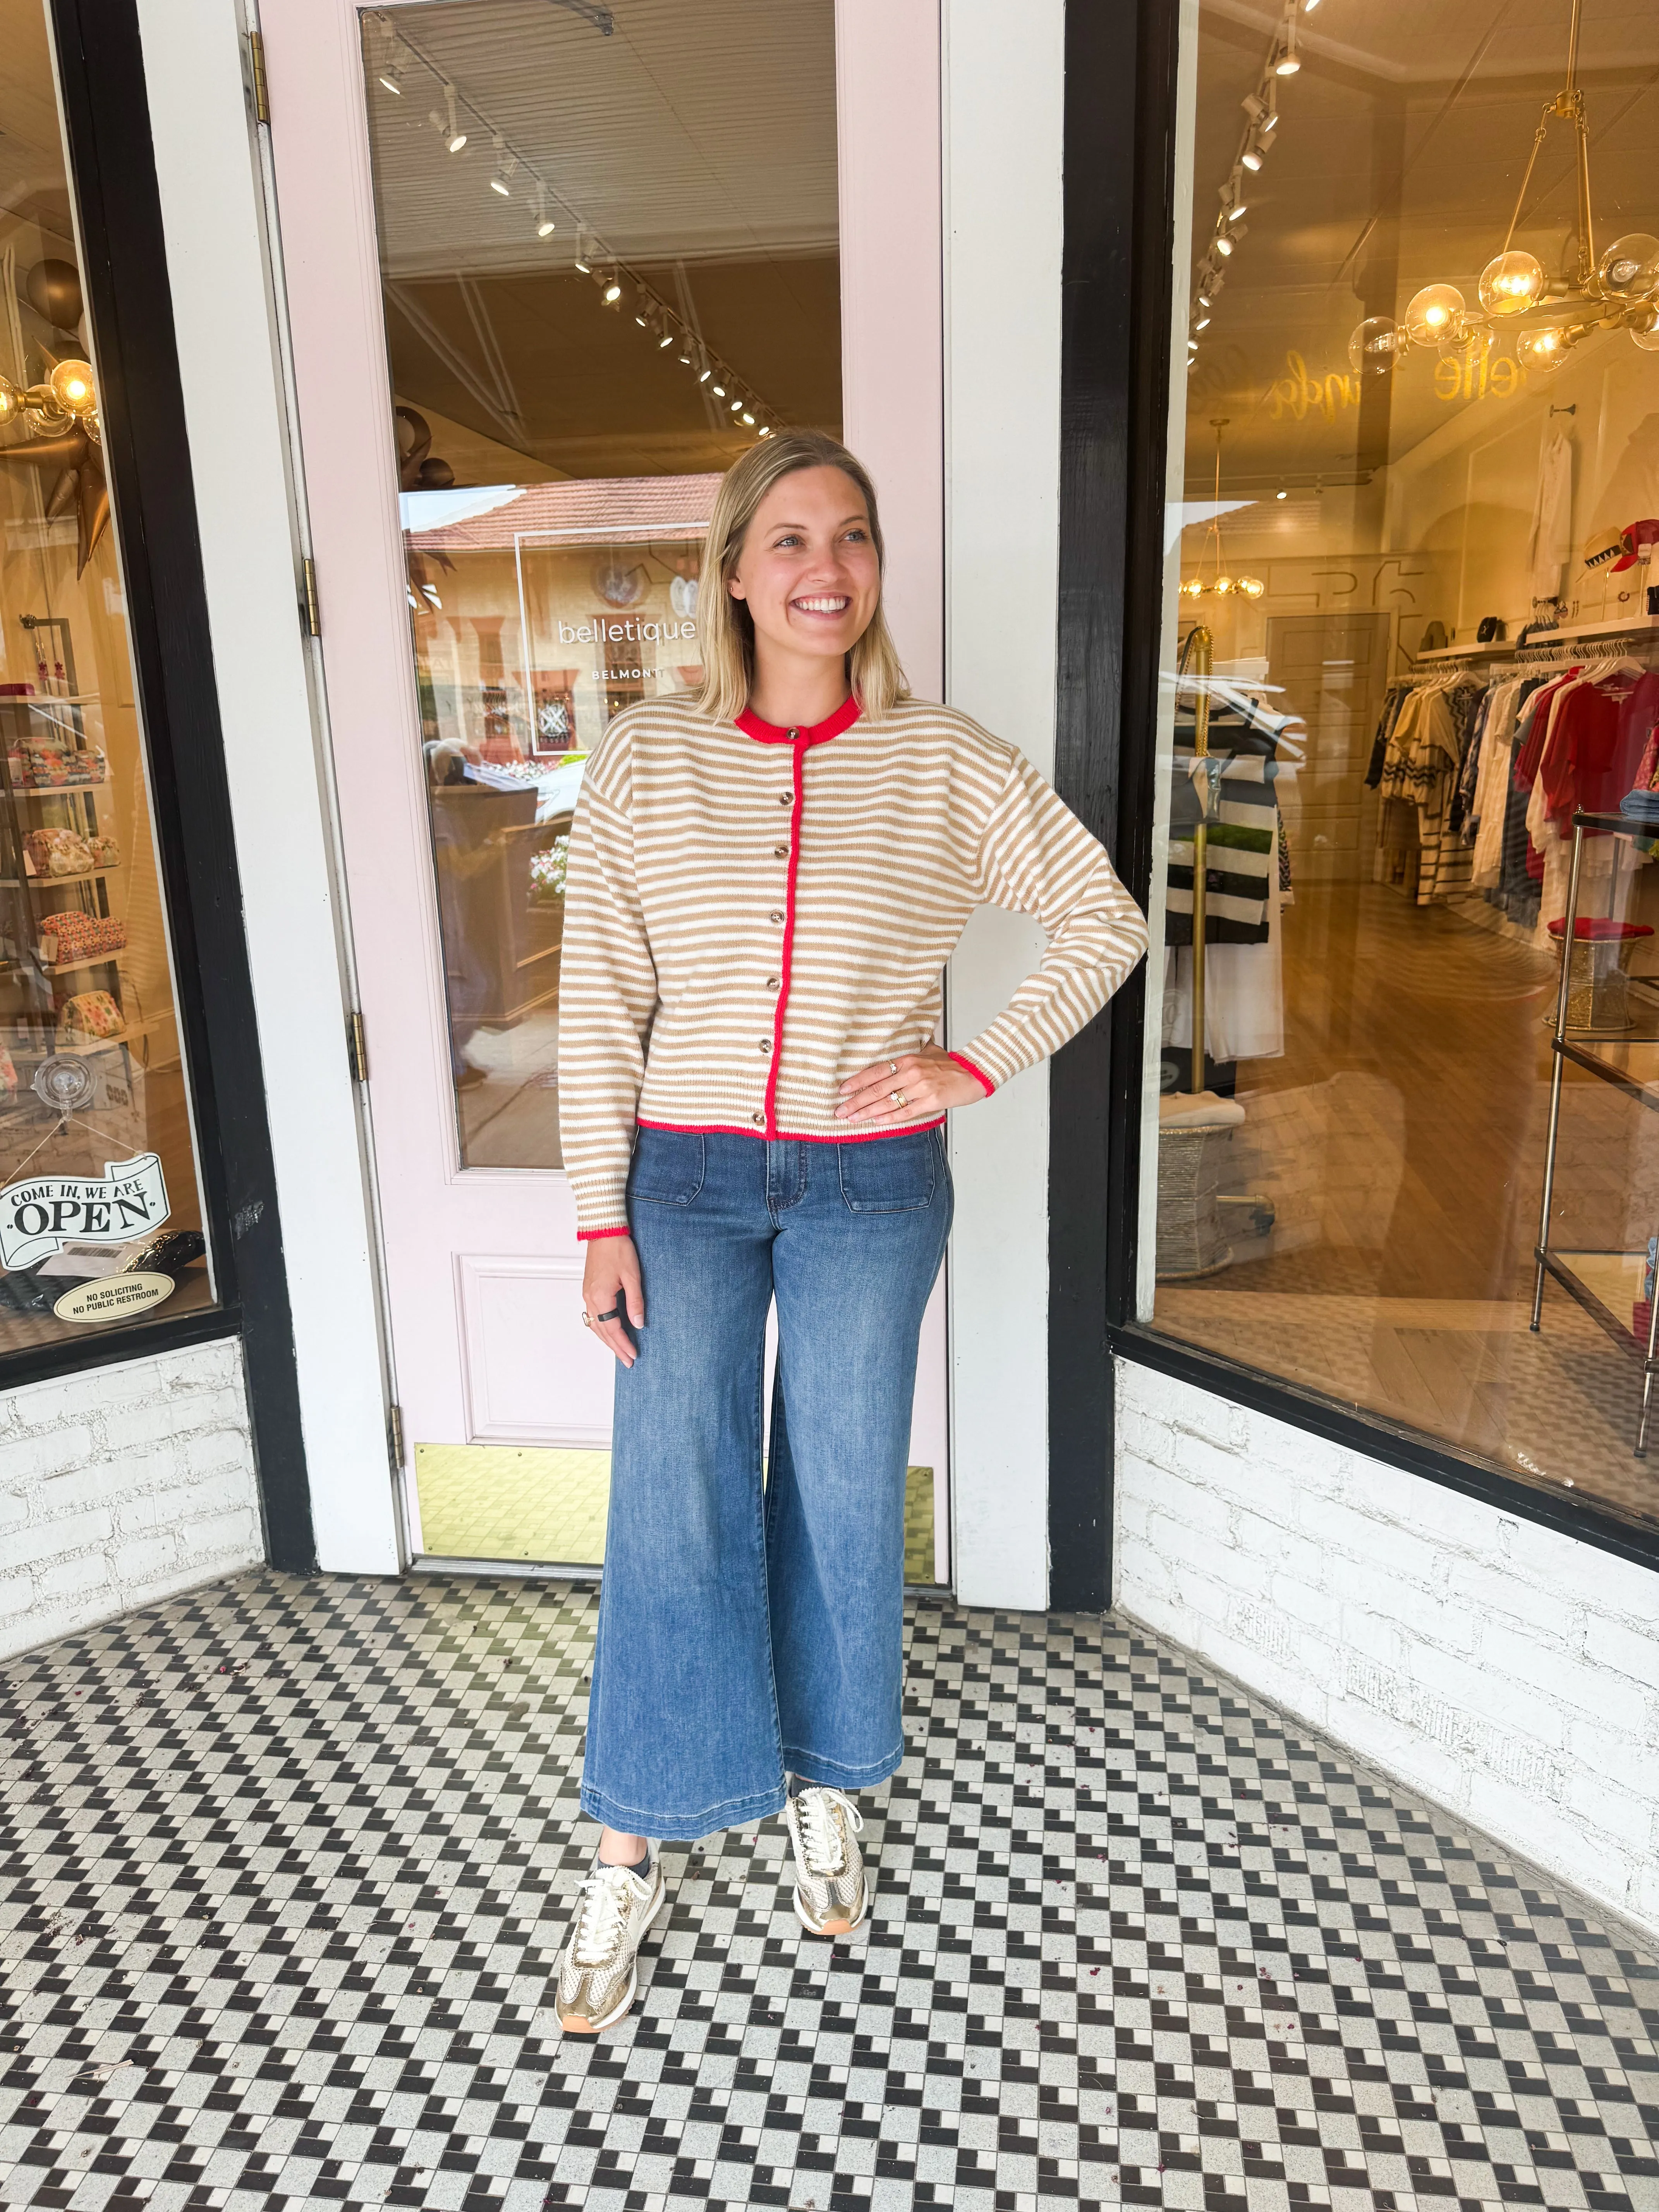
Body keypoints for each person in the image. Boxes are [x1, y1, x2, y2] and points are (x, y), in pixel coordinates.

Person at [552, 431, 1147, 2033]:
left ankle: (822, 1777)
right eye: (795, 539)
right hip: (680, 1179)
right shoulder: (646, 763)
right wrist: (597, 1208)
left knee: (836, 1492)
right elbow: (602, 995)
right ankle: (636, 1832)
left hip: (869, 1186)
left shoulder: (944, 757)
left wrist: (969, 1059)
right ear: (736, 570)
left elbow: (1104, 919)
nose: (830, 569)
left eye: (858, 538)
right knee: (669, 1498)